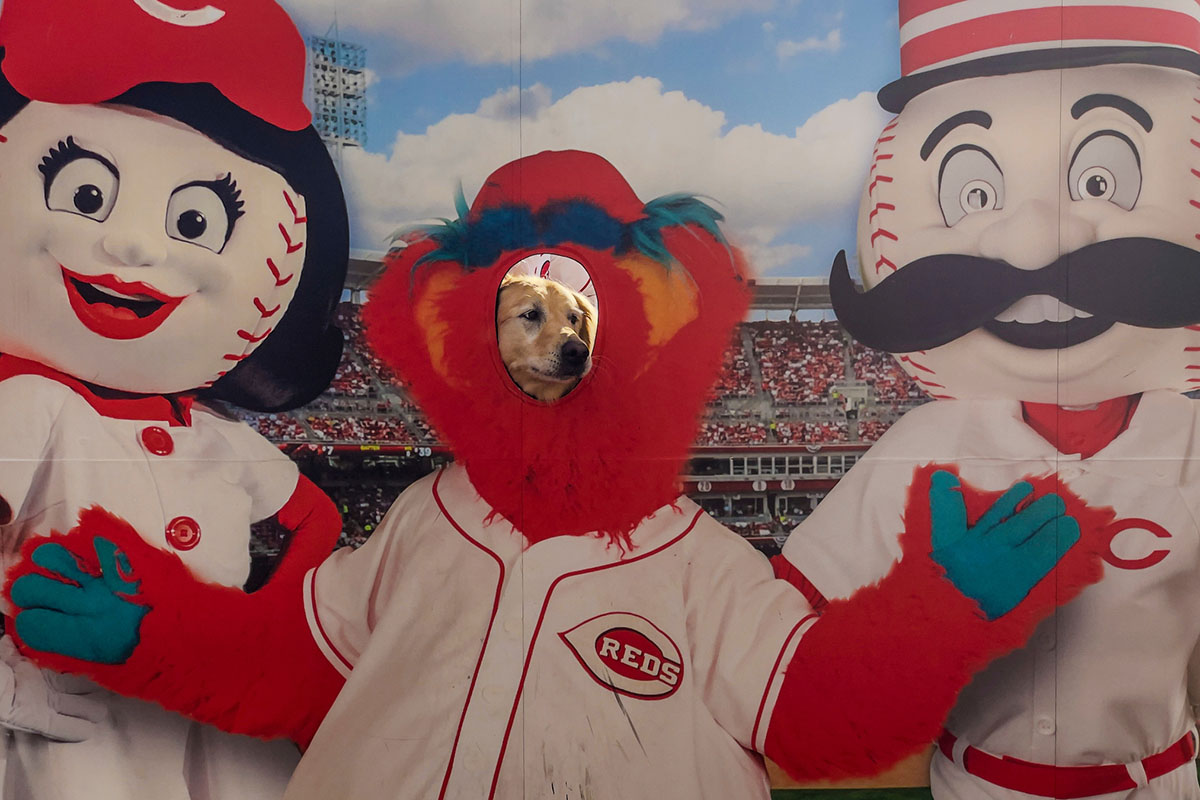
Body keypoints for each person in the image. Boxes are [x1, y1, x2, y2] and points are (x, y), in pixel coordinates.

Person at [784, 1, 1200, 796]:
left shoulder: (1191, 440)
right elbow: (790, 623)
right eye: (976, 193)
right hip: (973, 783)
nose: (1035, 244)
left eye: (1101, 179)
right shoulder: (925, 443)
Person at [0, 0, 349, 797]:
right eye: (85, 194)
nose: (132, 246)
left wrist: (262, 632)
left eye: (194, 220)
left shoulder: (217, 436)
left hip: (214, 719)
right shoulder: (28, 407)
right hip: (74, 723)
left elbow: (316, 519)